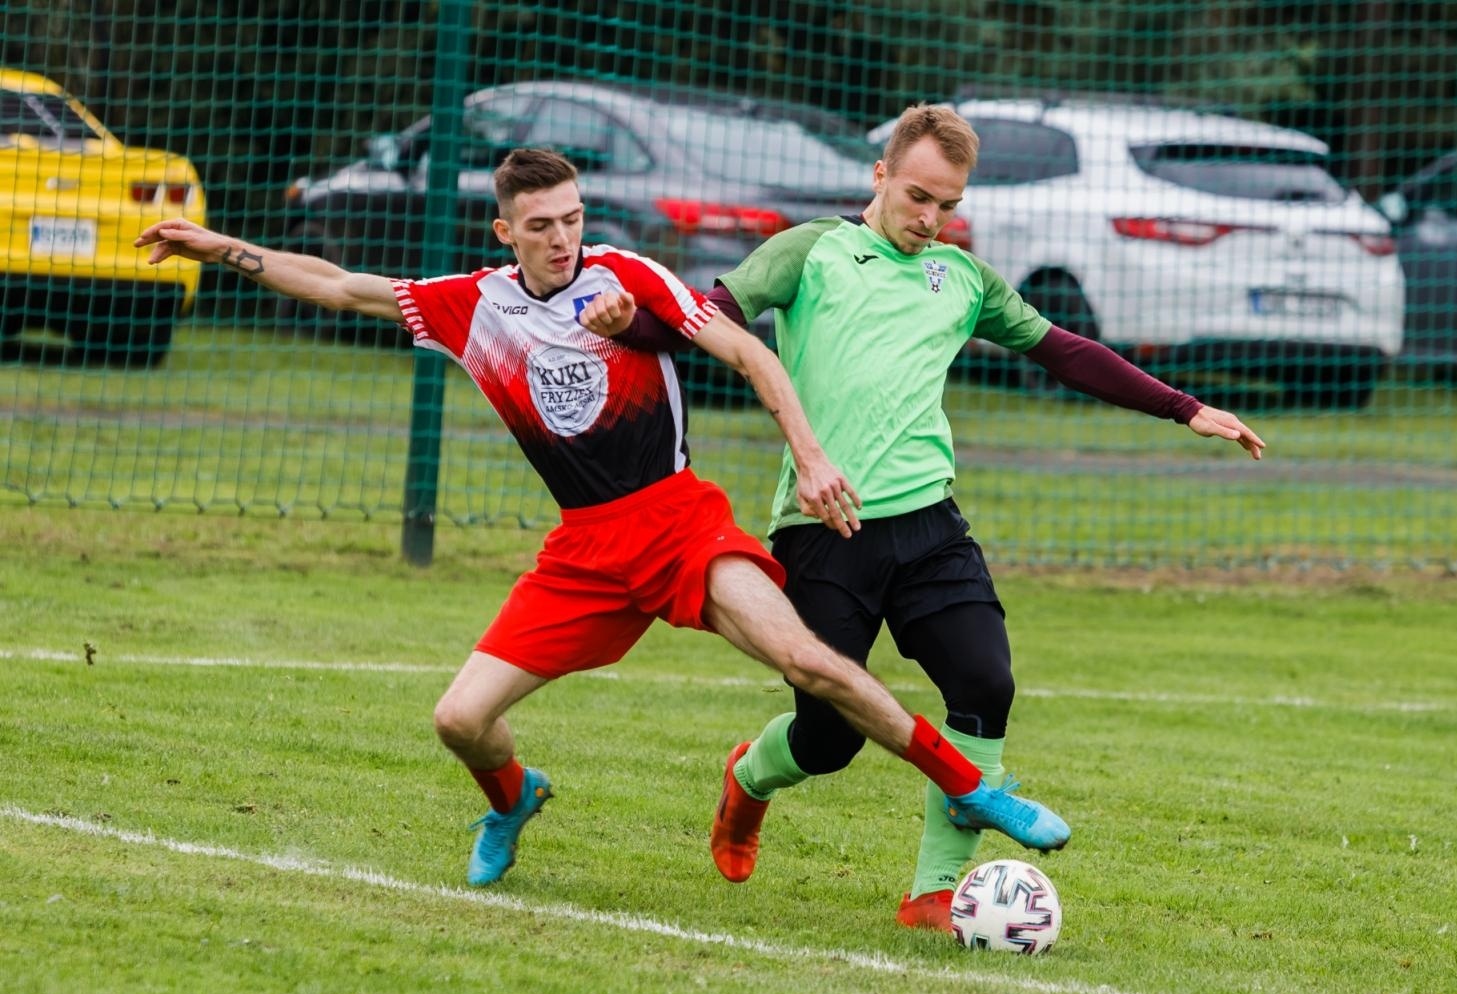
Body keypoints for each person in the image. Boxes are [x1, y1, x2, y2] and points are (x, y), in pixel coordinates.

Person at [133, 147, 1070, 889]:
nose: (561, 238)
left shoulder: (630, 278)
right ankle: (511, 799)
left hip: (680, 522)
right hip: (583, 547)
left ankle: (976, 788)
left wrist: (812, 454)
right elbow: (343, 285)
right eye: (540, 226)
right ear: (505, 229)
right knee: (459, 719)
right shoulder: (477, 307)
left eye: (573, 219)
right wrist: (221, 248)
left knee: (812, 662)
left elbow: (752, 356)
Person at [590, 106, 1266, 930]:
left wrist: (1184, 407)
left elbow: (1063, 349)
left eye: (947, 205)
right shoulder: (813, 252)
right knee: (830, 737)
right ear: (879, 176)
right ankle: (749, 778)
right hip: (822, 528)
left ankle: (932, 893)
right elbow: (707, 316)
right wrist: (629, 327)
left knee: (985, 682)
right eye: (918, 197)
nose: (930, 218)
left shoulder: (963, 279)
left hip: (929, 522)